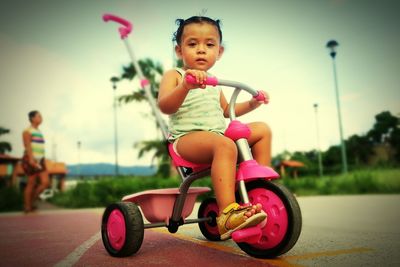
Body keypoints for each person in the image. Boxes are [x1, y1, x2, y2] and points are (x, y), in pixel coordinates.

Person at [158, 16, 272, 240]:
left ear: (219, 52)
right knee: (225, 144)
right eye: (192, 44)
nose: (201, 50)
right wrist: (185, 86)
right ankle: (227, 214)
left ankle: (259, 191)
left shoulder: (213, 81)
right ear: (179, 50)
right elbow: (165, 106)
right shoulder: (176, 75)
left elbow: (226, 110)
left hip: (218, 139)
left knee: (262, 130)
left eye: (209, 45)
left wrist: (252, 103)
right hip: (187, 141)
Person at [22, 110, 49, 213]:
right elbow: (27, 146)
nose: (41, 117)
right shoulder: (27, 131)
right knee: (31, 183)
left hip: (40, 160)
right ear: (32, 118)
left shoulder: (38, 131)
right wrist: (31, 159)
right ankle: (27, 206)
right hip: (31, 158)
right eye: (39, 116)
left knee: (45, 183)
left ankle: (31, 202)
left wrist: (42, 160)